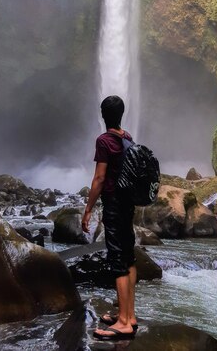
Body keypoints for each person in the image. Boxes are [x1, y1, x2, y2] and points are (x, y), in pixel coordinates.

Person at [81, 95, 137, 341]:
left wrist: (88, 209)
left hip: (114, 204)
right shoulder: (128, 138)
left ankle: (124, 322)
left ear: (103, 115)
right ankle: (129, 315)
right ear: (121, 115)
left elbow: (100, 178)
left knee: (117, 261)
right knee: (129, 257)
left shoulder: (104, 141)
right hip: (128, 205)